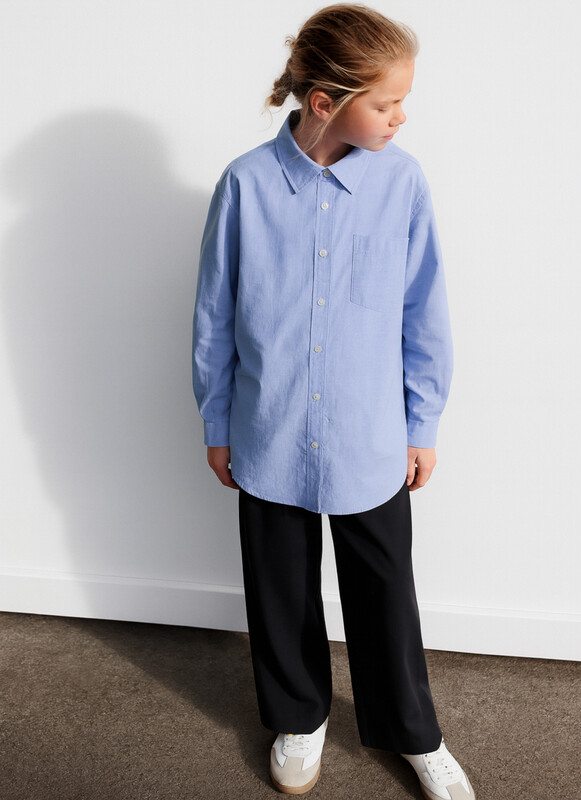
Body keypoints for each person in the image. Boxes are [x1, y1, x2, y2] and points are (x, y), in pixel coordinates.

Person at [192, 4, 476, 798]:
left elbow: (423, 310)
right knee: (279, 585)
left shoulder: (402, 182)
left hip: (370, 436)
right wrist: (217, 420)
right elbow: (214, 315)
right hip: (269, 428)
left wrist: (422, 420)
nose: (401, 116)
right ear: (324, 102)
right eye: (387, 103)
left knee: (385, 592)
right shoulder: (246, 183)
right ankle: (298, 715)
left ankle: (414, 732)